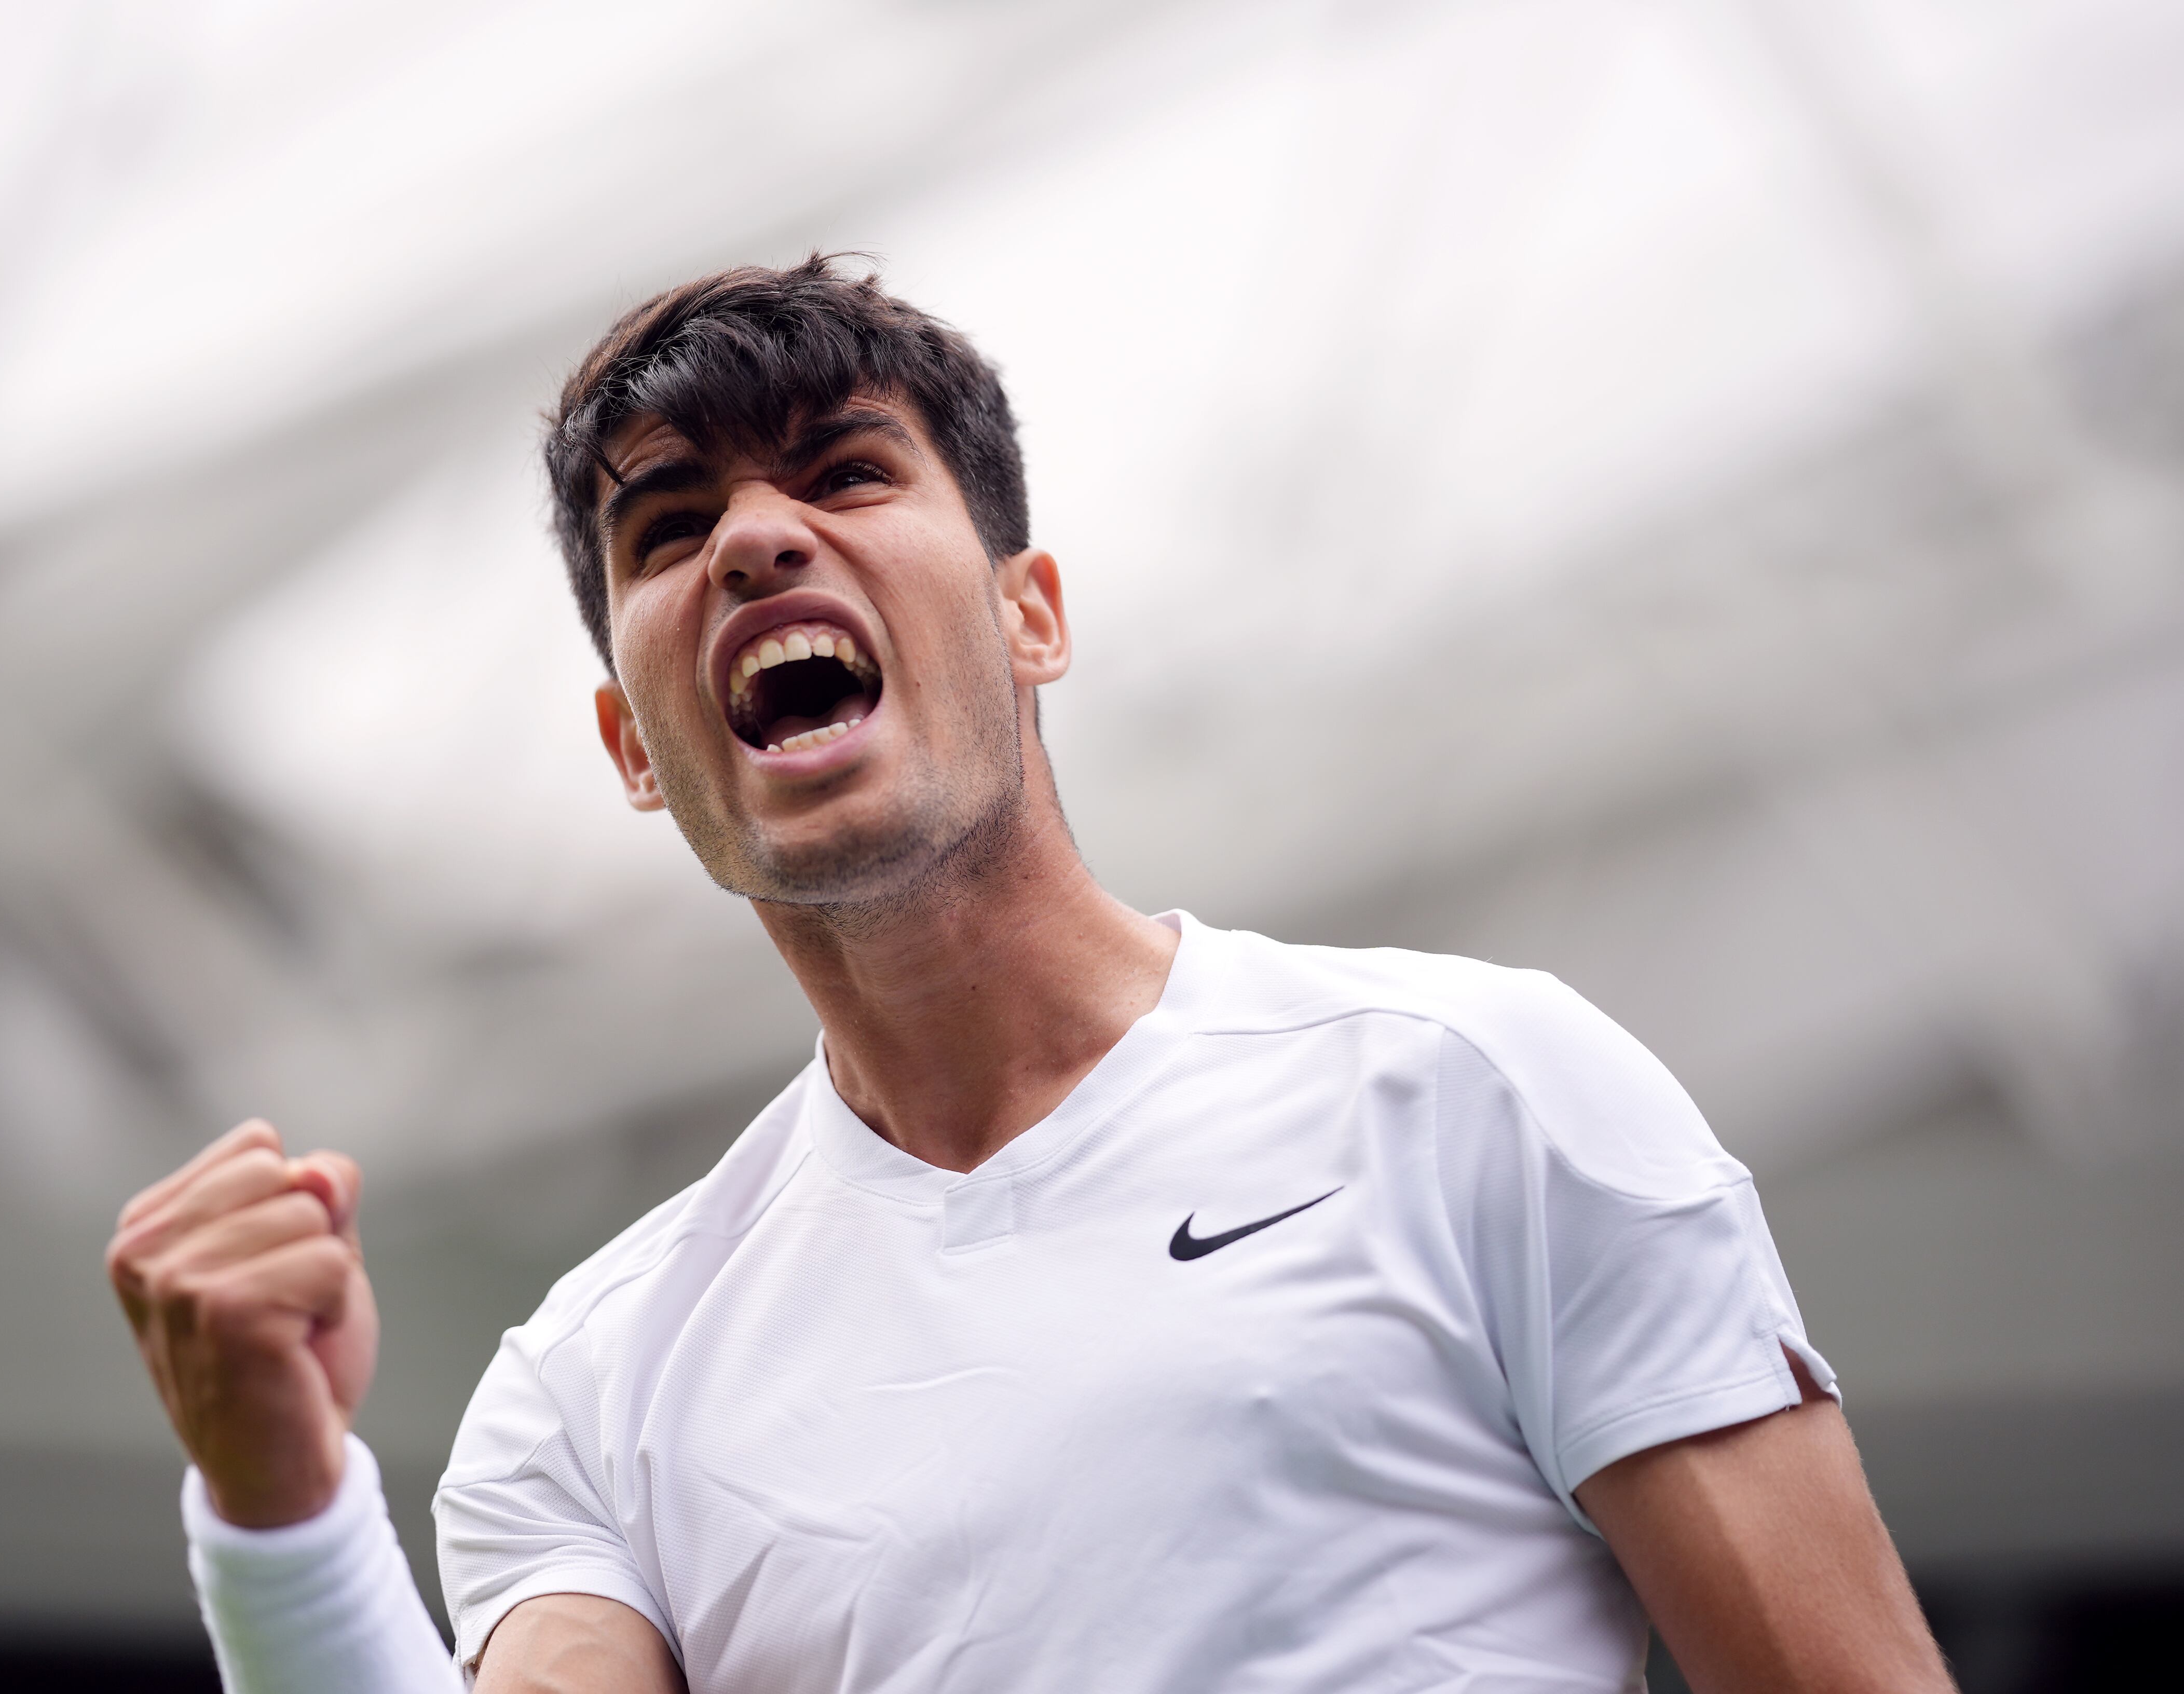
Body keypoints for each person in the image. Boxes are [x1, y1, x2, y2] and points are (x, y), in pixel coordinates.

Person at [106, 256, 1955, 1693]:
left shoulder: (1482, 1088)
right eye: (669, 532)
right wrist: (277, 1506)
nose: (756, 539)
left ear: (1030, 614)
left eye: (846, 474)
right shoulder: (584, 1397)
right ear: (635, 746)